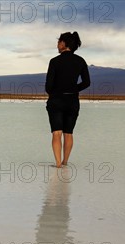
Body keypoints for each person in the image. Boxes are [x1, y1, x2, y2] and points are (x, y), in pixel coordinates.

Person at [45, 32, 91, 168]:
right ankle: (65, 161)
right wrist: (74, 89)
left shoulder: (54, 61)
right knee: (68, 133)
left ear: (64, 44)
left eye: (59, 42)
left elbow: (48, 86)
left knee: (57, 132)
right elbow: (87, 82)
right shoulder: (80, 61)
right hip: (72, 101)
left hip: (56, 101)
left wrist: (55, 93)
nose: (57, 45)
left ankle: (58, 164)